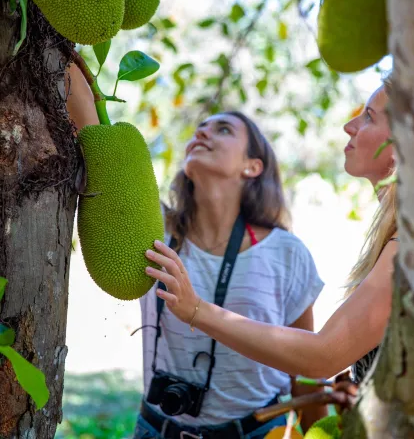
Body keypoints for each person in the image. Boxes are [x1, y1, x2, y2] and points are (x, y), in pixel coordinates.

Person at [65, 63, 325, 438]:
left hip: (257, 432)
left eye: (223, 129)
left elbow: (306, 366)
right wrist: (64, 46)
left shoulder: (286, 253)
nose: (202, 131)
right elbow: (87, 118)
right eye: (201, 127)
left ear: (253, 166)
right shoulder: (151, 230)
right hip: (157, 428)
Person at [144, 78, 398, 387]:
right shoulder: (154, 225)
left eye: (369, 116)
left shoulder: (413, 248)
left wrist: (197, 310)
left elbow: (320, 356)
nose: (349, 125)